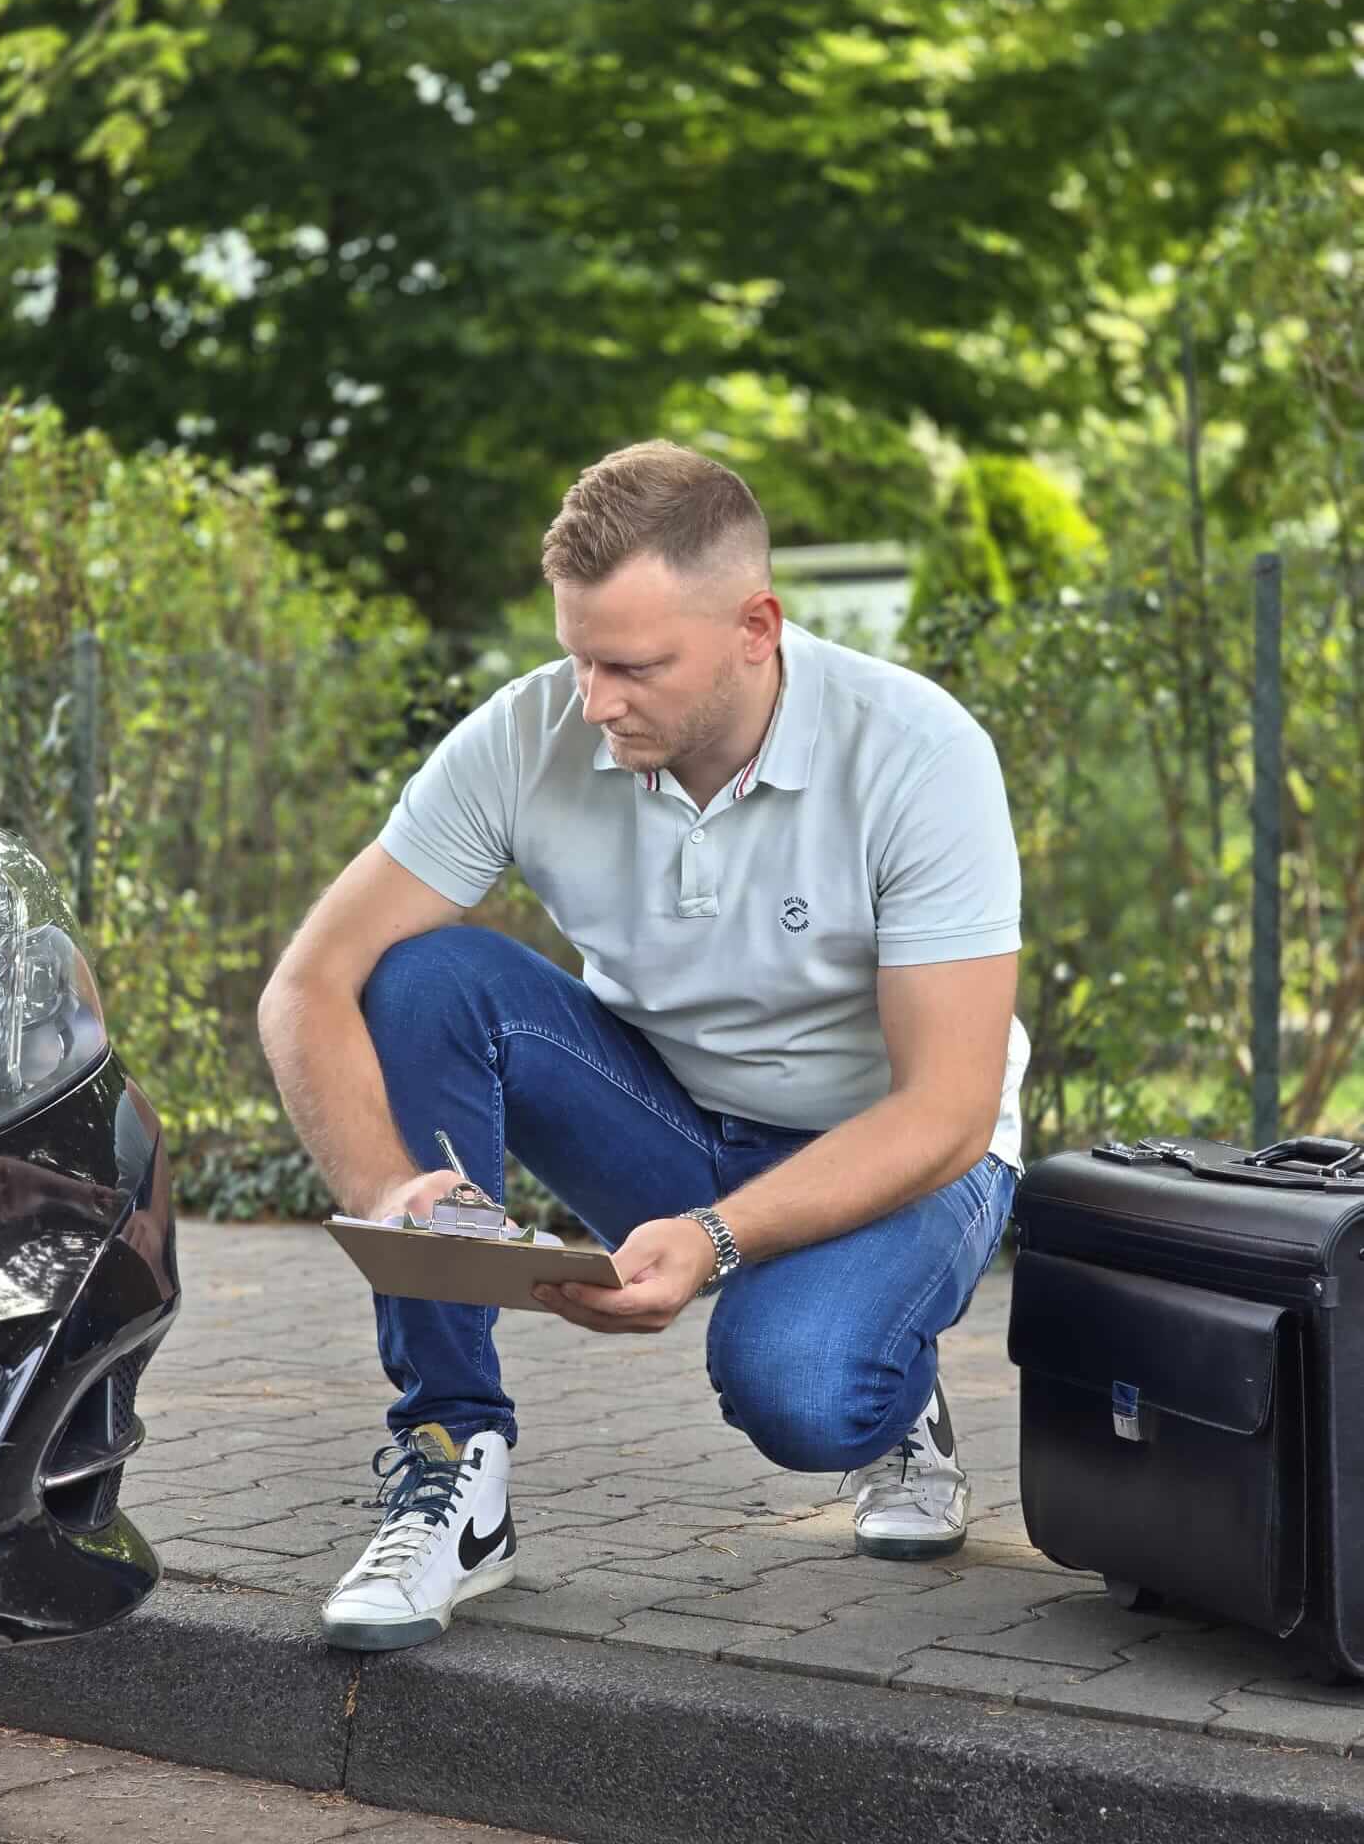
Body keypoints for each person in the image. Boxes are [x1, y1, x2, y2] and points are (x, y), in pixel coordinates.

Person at [258, 439, 1030, 1652]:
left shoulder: (918, 753)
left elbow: (945, 1109)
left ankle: (892, 1383)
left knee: (802, 1386)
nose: (595, 700)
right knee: (423, 976)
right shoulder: (530, 735)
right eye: (577, 656)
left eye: (633, 666)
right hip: (673, 1120)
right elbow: (306, 985)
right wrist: (389, 1191)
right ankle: (452, 1464)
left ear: (755, 627)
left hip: (902, 1153)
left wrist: (717, 1240)